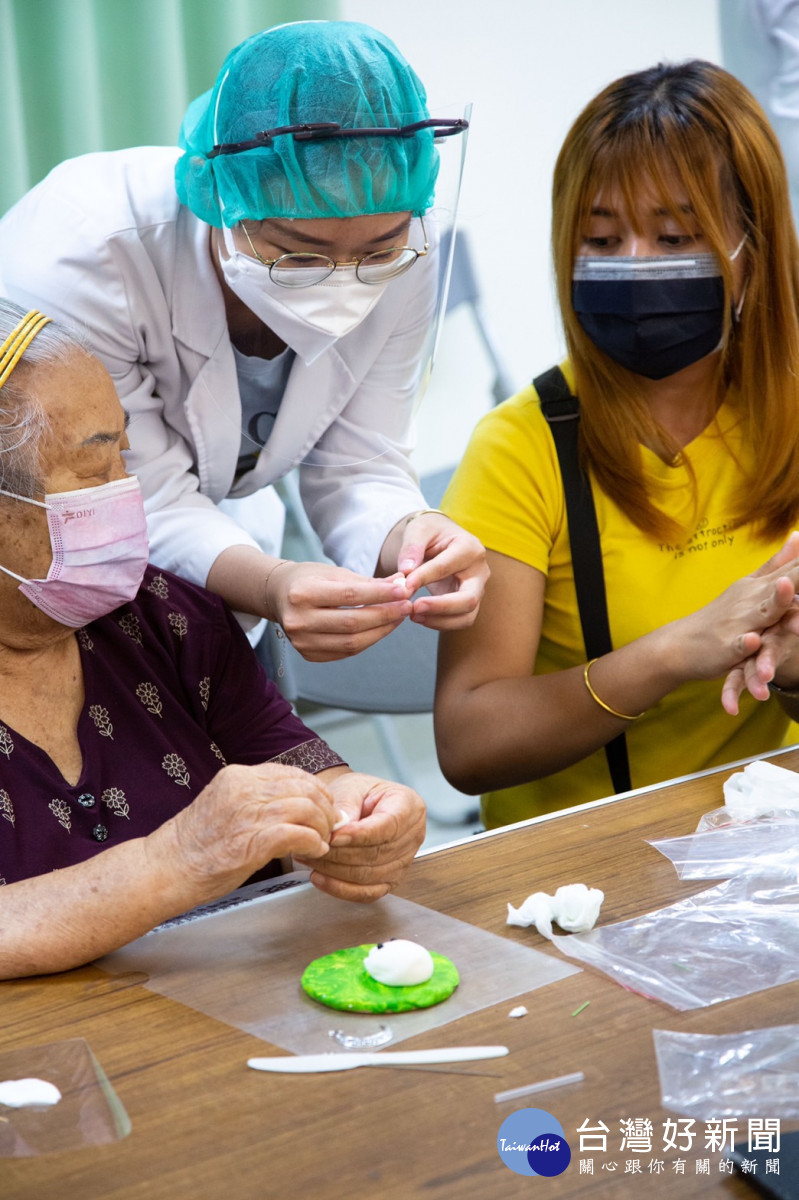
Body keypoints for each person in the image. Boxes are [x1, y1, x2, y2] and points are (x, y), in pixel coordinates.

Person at [0, 21, 487, 663]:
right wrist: (272, 582)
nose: (344, 282)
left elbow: (359, 458)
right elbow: (132, 492)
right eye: (298, 253)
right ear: (218, 199)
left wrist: (412, 535)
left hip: (223, 556)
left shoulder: (404, 246)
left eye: (378, 250)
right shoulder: (82, 257)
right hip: (54, 570)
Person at [0, 300, 426, 978]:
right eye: (95, 472)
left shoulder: (165, 616)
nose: (129, 494)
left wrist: (357, 810)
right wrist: (174, 862)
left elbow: (298, 767)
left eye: (125, 459)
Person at [434, 60, 799, 830]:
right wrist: (672, 655)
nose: (635, 264)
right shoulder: (520, 446)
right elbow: (468, 743)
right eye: (602, 237)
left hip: (765, 857)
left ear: (753, 247)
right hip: (578, 882)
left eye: (673, 235)